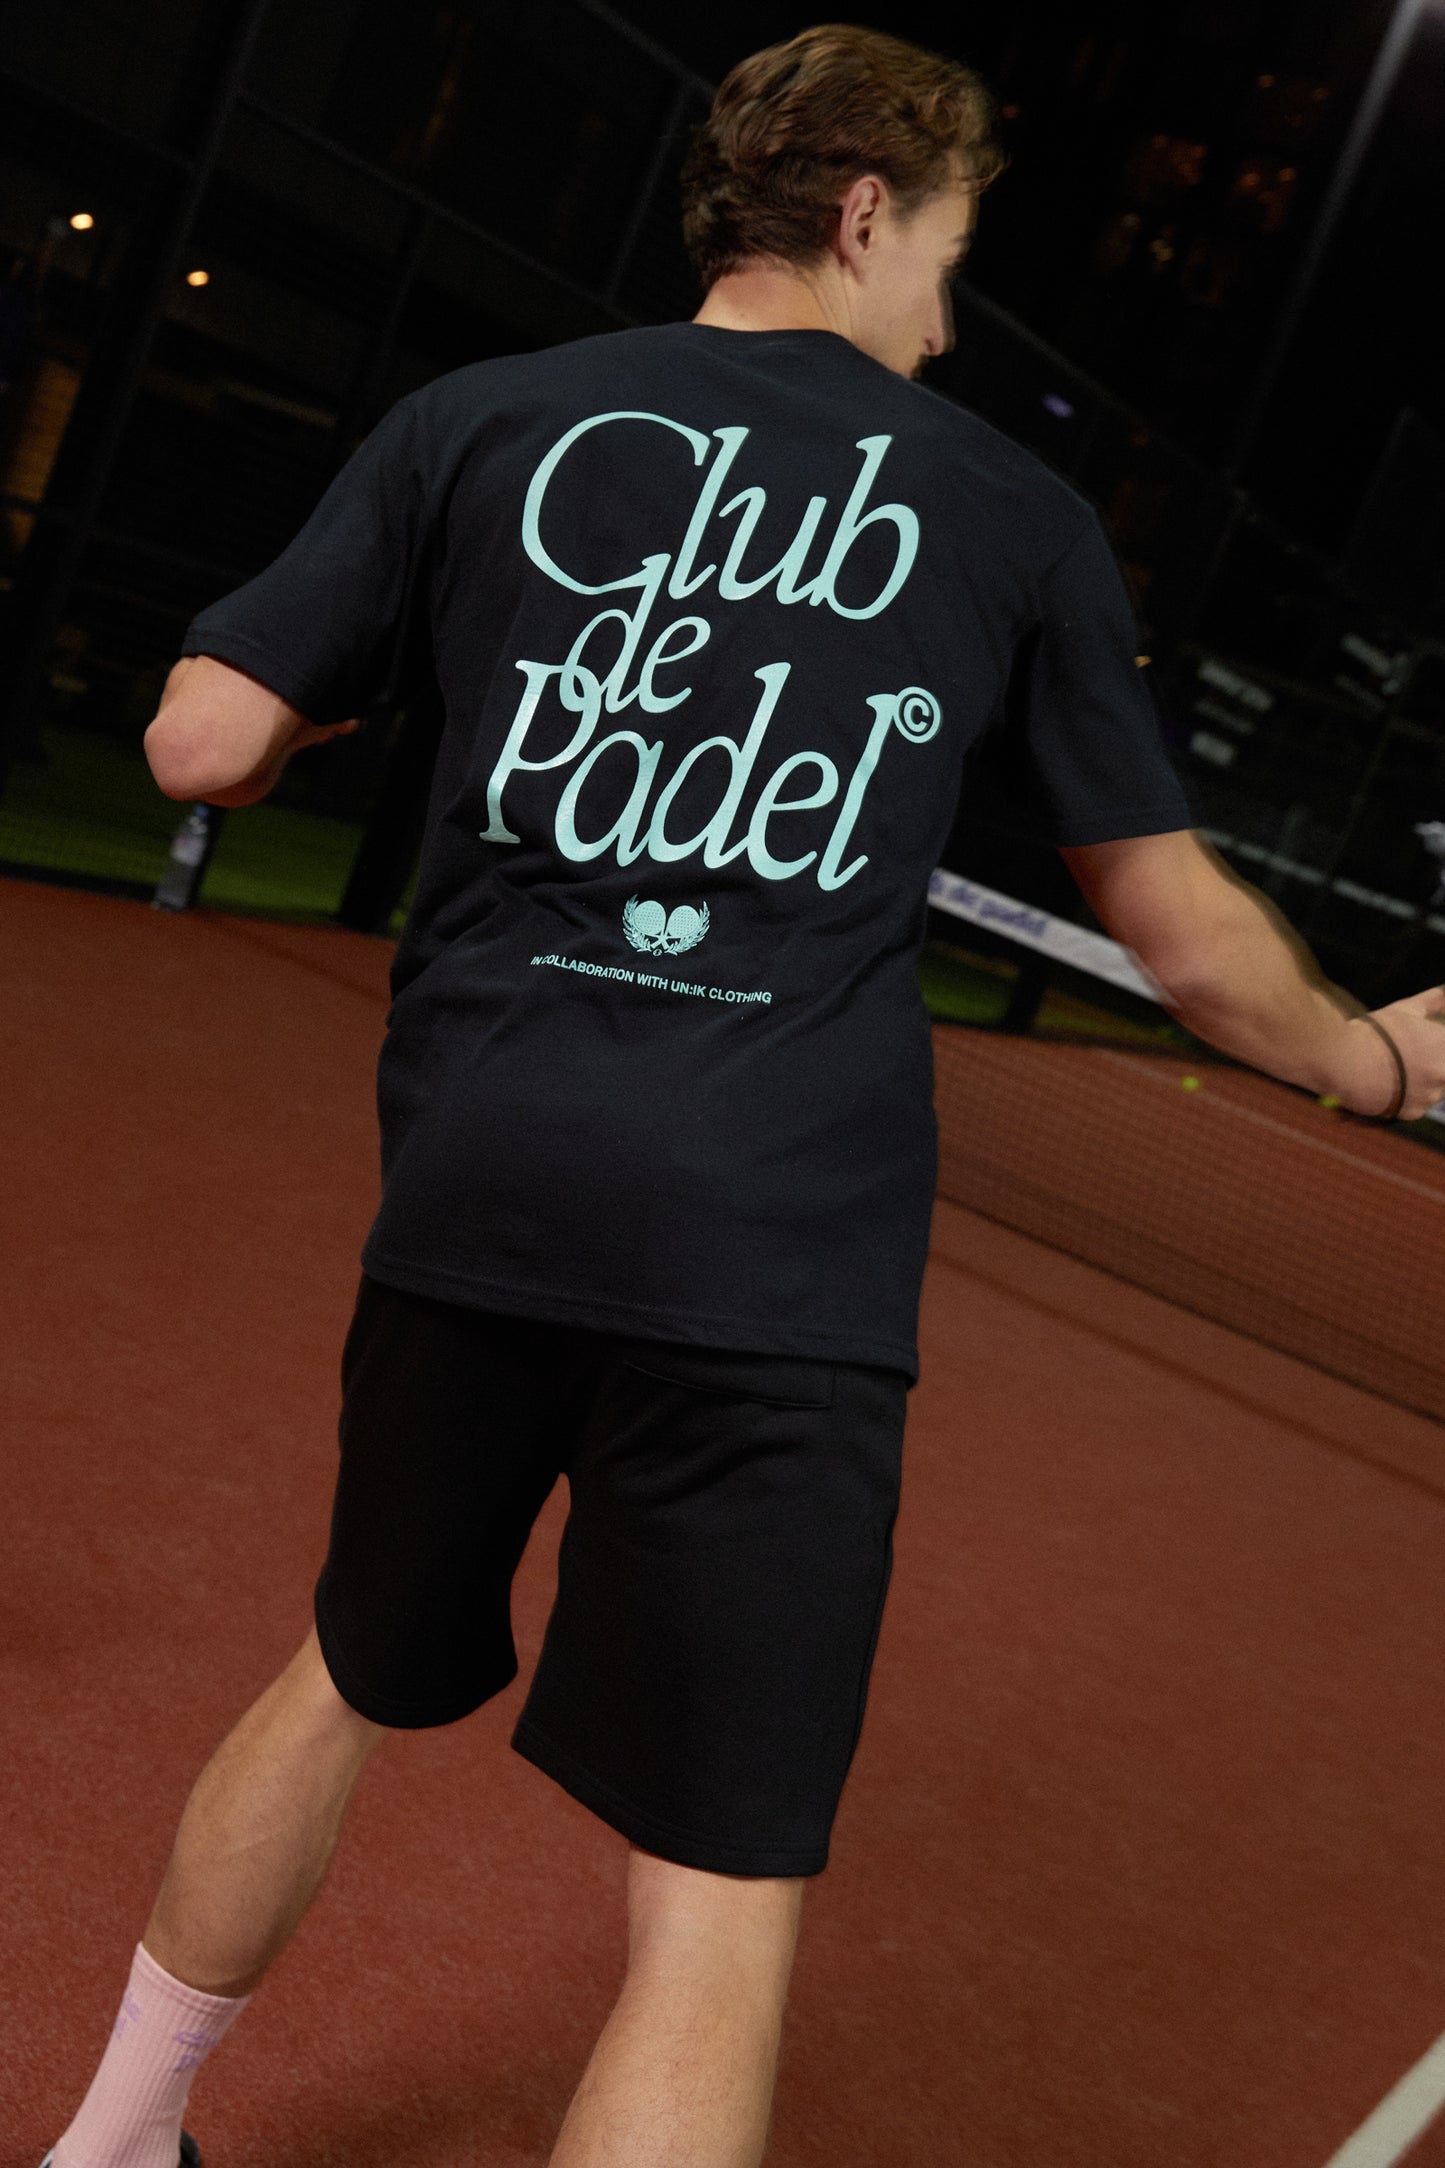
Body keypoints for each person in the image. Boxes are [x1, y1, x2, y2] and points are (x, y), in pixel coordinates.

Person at [41, 22, 1445, 2168]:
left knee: (341, 1663)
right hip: (771, 1249)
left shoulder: (477, 420)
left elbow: (202, 745)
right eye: (946, 262)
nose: (947, 326)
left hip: (480, 1185)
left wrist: (389, 682)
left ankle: (111, 2145)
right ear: (867, 213)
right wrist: (1371, 1054)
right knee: (716, 1905)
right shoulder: (1011, 512)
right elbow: (1179, 939)